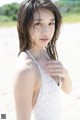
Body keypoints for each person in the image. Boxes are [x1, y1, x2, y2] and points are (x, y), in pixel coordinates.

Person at [14, 0, 72, 120]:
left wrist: (64, 73)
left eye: (51, 23)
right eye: (38, 24)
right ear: (24, 26)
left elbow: (67, 90)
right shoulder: (26, 70)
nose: (46, 31)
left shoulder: (45, 53)